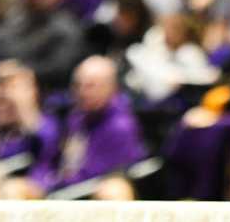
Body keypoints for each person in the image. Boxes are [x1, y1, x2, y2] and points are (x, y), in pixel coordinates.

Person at [34, 56, 146, 195]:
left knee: (113, 190)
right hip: (61, 188)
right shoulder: (76, 117)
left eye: (91, 86)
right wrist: (41, 181)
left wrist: (53, 184)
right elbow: (52, 158)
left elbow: (95, 176)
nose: (82, 92)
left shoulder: (121, 127)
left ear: (112, 88)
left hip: (87, 195)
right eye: (77, 85)